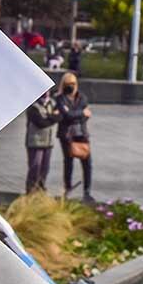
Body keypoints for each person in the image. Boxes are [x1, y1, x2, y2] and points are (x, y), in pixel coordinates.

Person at [55, 72, 94, 201]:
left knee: (87, 163)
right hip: (66, 135)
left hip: (81, 134)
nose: (70, 87)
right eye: (67, 84)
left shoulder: (82, 97)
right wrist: (81, 112)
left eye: (72, 84)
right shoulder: (60, 98)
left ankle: (87, 191)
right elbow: (67, 116)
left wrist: (75, 114)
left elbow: (81, 116)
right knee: (68, 162)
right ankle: (67, 188)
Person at [24, 89, 60, 193]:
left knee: (45, 168)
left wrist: (50, 117)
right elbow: (41, 123)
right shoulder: (33, 106)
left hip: (48, 142)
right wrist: (53, 116)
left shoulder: (52, 103)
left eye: (48, 91)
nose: (46, 93)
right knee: (35, 167)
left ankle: (40, 189)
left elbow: (60, 116)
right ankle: (31, 190)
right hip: (35, 142)